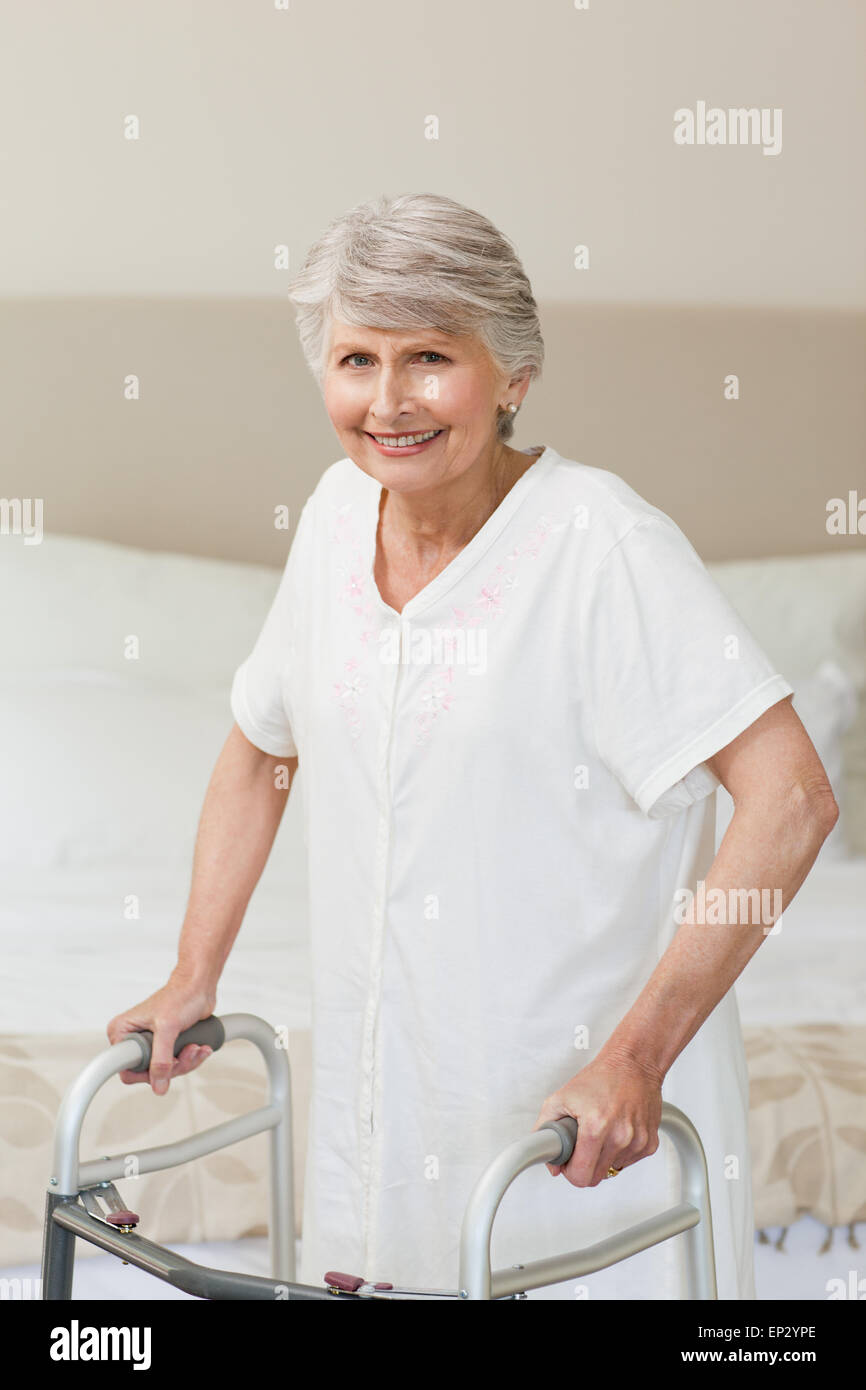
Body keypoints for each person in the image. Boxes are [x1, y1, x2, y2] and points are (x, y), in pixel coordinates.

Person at [108, 192, 838, 1300]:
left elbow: (790, 799)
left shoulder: (600, 544)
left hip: (575, 1155)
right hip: (379, 1141)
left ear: (512, 374)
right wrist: (190, 972)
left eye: (430, 358)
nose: (388, 401)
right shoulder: (330, 516)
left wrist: (637, 1055)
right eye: (356, 359)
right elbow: (264, 750)